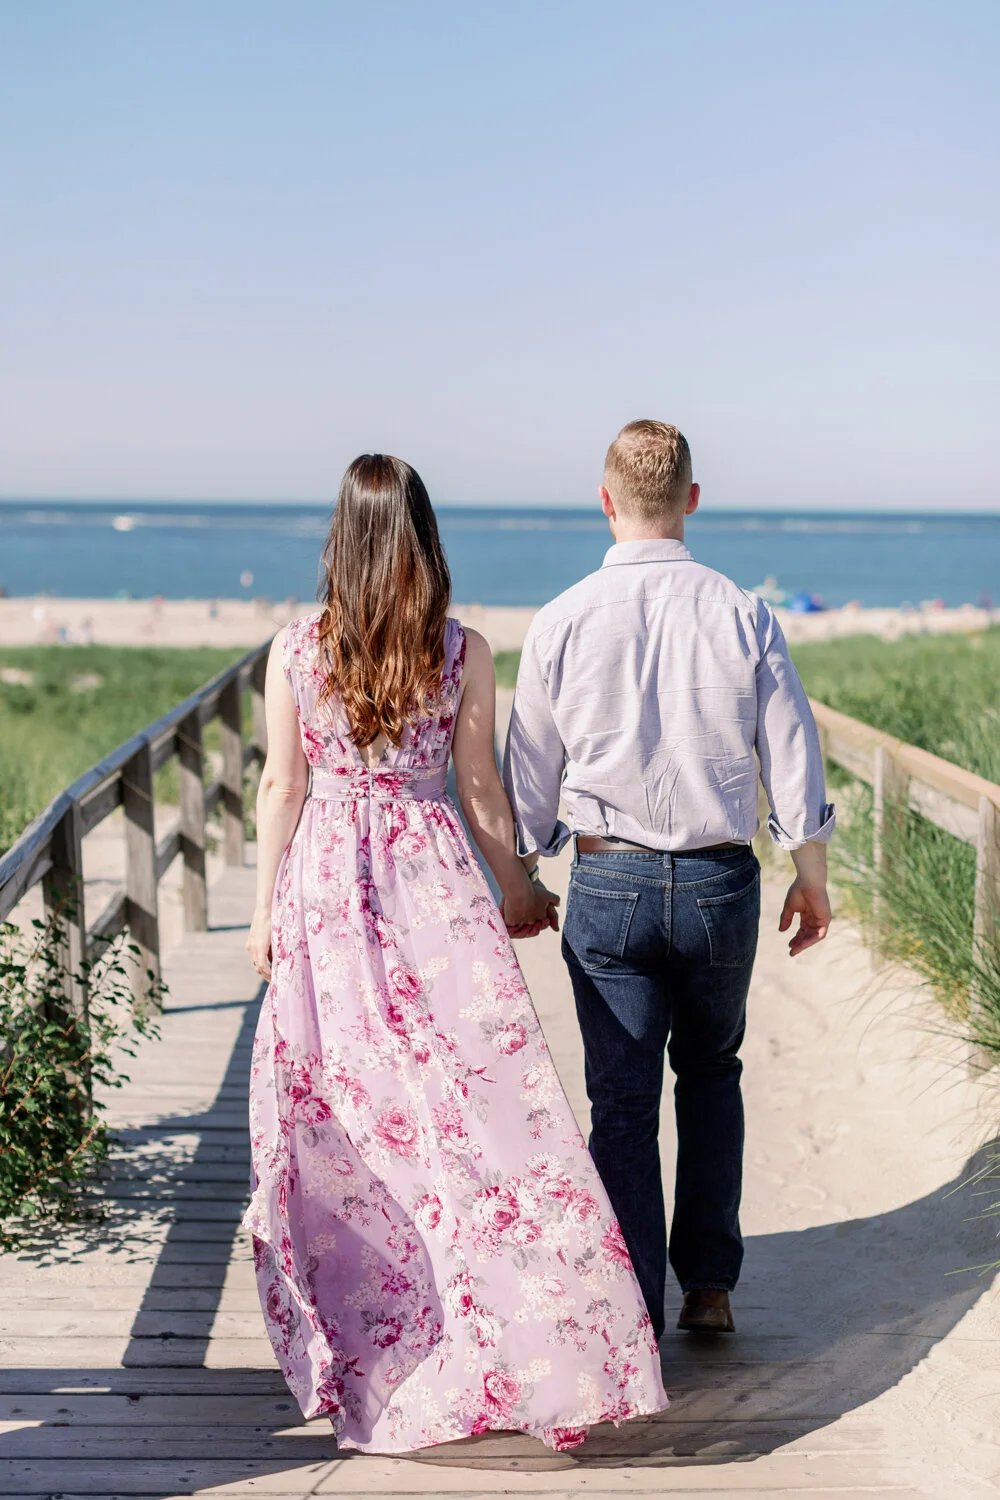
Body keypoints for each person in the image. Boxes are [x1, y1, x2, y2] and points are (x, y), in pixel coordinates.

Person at [243, 454, 667, 1454]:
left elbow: (281, 788)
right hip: (430, 878)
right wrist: (517, 886)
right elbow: (478, 785)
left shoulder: (295, 648)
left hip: (327, 887)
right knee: (480, 1107)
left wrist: (262, 913)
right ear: (424, 537)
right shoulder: (462, 647)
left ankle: (385, 1332)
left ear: (341, 540)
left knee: (351, 1111)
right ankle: (526, 1327)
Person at [503, 420, 834, 1339]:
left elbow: (530, 766)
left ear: (606, 501)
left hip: (608, 880)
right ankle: (710, 1287)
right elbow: (792, 752)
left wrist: (526, 870)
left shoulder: (560, 618)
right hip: (721, 882)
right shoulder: (743, 612)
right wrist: (810, 874)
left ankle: (631, 1312)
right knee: (712, 1074)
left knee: (621, 1102)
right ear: (691, 499)